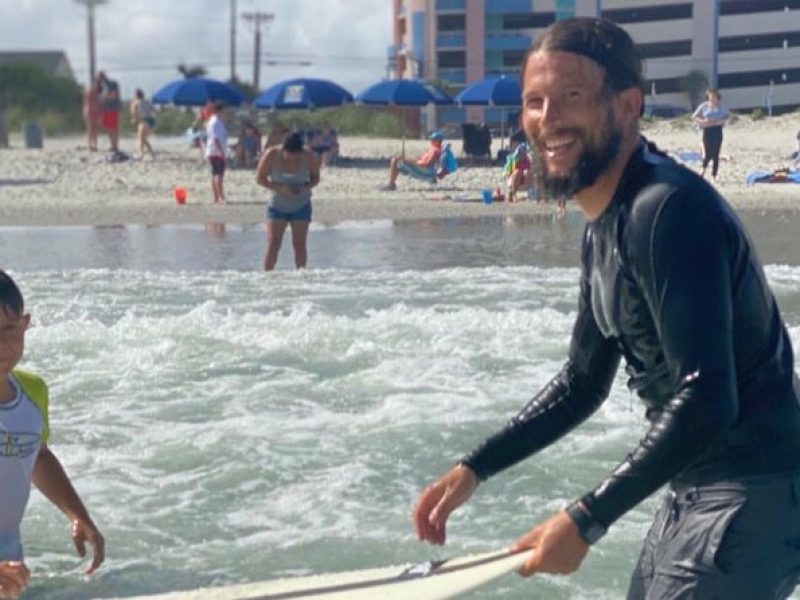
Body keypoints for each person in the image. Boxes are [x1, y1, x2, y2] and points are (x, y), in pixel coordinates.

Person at [412, 17, 800, 600]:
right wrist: (477, 467)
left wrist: (587, 517)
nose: (548, 120)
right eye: (534, 102)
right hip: (702, 485)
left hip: (755, 487)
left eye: (570, 97)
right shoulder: (606, 225)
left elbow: (708, 395)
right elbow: (581, 381)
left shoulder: (665, 212)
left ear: (626, 106)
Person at [0, 270, 105, 598]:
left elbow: (35, 454)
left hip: (9, 562)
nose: (1, 343)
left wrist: (77, 513)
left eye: (9, 328)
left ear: (26, 323)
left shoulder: (32, 392)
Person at [256, 132, 321, 270]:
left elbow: (315, 178)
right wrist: (280, 188)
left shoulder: (309, 157)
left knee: (299, 243)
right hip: (277, 205)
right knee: (273, 242)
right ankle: (267, 276)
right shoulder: (271, 155)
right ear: (283, 150)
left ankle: (301, 276)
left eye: (296, 157)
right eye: (289, 156)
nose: (292, 160)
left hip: (301, 205)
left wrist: (304, 187)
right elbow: (260, 179)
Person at [692, 89, 730, 180]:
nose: (713, 99)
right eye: (711, 97)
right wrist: (703, 121)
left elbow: (727, 117)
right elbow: (694, 116)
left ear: (718, 98)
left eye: (714, 97)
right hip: (707, 130)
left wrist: (718, 122)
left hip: (717, 130)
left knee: (716, 153)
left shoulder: (721, 107)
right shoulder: (704, 106)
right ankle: (703, 169)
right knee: (707, 153)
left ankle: (714, 174)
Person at [205, 101, 228, 203]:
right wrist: (221, 151)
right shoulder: (216, 122)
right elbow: (216, 139)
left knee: (215, 174)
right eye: (224, 111)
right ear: (220, 111)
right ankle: (220, 196)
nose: (226, 113)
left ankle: (216, 197)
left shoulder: (215, 121)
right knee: (218, 174)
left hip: (214, 151)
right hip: (216, 151)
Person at [96, 71, 122, 154]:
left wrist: (103, 97)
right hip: (105, 109)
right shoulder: (101, 87)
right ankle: (112, 145)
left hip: (112, 108)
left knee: (113, 127)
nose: (99, 80)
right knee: (108, 128)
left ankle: (115, 146)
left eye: (99, 78)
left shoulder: (112, 84)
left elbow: (113, 96)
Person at [129, 88, 156, 159]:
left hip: (144, 120)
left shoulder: (135, 102)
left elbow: (134, 113)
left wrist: (134, 119)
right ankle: (152, 153)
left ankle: (141, 154)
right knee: (143, 138)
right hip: (152, 120)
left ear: (135, 95)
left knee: (140, 139)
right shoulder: (147, 101)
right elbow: (153, 110)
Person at [81, 79, 102, 152]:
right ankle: (91, 145)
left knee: (93, 128)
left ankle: (93, 145)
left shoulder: (93, 90)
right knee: (91, 128)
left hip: (93, 110)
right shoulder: (90, 90)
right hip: (91, 110)